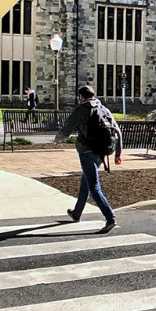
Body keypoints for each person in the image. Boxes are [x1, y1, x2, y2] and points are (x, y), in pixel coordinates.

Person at [54, 85, 122, 233]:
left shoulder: (82, 108)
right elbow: (117, 130)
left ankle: (110, 217)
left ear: (81, 96)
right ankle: (76, 213)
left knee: (93, 185)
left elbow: (67, 129)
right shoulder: (103, 108)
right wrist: (118, 153)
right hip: (101, 151)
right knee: (85, 181)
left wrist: (57, 139)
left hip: (86, 151)